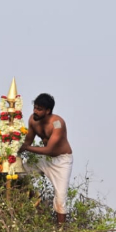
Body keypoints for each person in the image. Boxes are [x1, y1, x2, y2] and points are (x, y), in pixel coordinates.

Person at [20, 93, 74, 225]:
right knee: (18, 173)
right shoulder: (33, 120)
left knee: (60, 200)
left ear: (48, 111)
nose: (35, 111)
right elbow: (28, 141)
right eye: (35, 107)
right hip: (45, 159)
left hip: (61, 161)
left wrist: (25, 148)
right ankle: (36, 202)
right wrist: (14, 150)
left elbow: (48, 149)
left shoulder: (57, 124)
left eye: (39, 109)